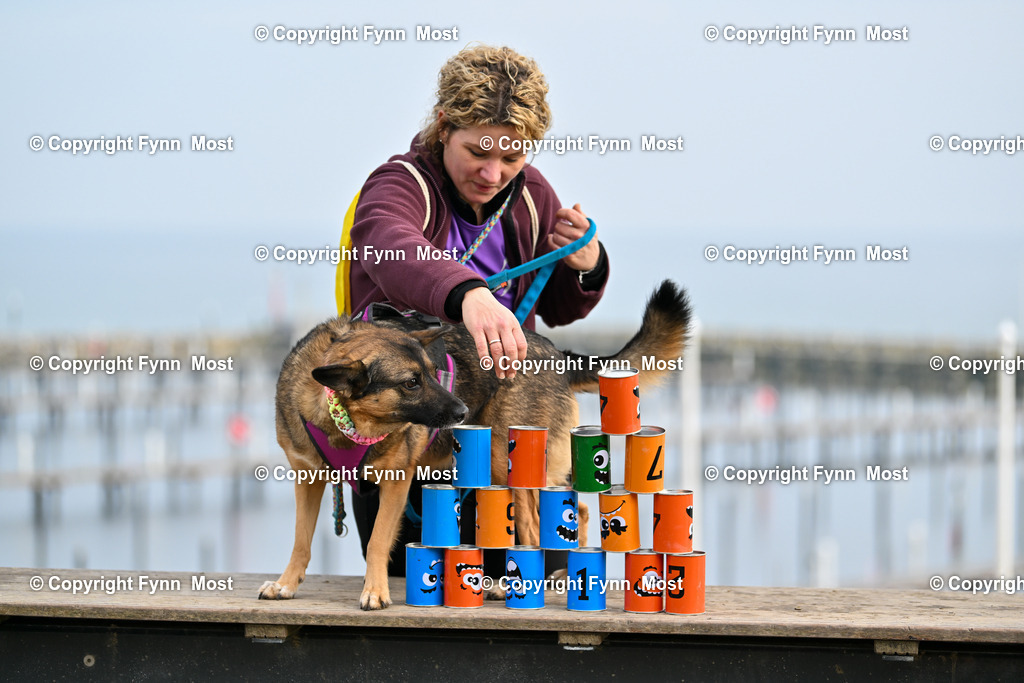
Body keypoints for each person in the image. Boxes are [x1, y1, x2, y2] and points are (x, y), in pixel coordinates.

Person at [343, 44, 609, 576]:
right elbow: (389, 244)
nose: (493, 174)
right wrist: (469, 294)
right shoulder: (397, 185)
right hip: (411, 445)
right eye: (478, 153)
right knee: (414, 604)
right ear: (444, 126)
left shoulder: (531, 194)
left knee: (541, 582)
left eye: (512, 157)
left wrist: (585, 264)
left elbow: (554, 309)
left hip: (509, 426)